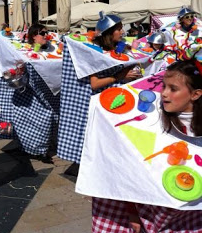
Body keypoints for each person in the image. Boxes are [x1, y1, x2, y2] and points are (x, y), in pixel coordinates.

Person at [92, 59, 202, 233]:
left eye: (173, 89)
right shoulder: (150, 118)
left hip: (189, 215)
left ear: (195, 95)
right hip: (147, 208)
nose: (163, 94)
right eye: (164, 86)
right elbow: (127, 167)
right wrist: (132, 210)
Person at [57, 12, 142, 176]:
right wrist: (120, 76)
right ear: (109, 32)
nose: (123, 32)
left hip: (112, 97)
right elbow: (95, 84)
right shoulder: (93, 51)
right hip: (99, 100)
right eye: (119, 29)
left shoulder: (114, 46)